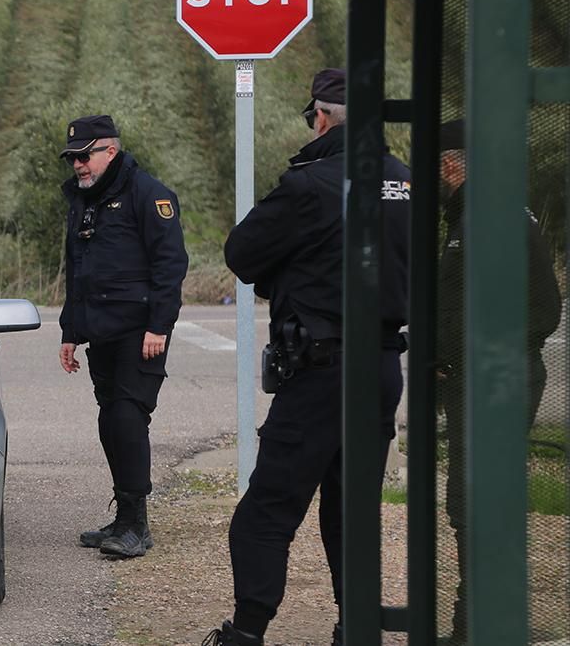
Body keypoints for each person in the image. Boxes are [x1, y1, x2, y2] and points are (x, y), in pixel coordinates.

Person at [205, 69, 411, 646]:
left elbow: (243, 253)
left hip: (321, 370)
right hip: (381, 368)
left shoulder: (311, 184)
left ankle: (245, 634)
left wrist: (292, 277)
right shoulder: (406, 181)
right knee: (351, 509)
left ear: (321, 118)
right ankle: (356, 627)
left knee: (267, 512)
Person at [435, 119, 562, 644]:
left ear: (450, 164)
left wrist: (483, 356)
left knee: (473, 501)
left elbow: (542, 310)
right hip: (488, 380)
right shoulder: (498, 211)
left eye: (437, 167)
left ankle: (484, 625)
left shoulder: (485, 216)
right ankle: (480, 620)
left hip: (489, 384)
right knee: (480, 501)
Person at [57, 114, 189, 559]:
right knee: (110, 420)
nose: (77, 165)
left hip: (139, 332)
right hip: (101, 333)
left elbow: (170, 265)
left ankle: (136, 525)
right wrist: (70, 332)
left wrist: (159, 326)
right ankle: (124, 517)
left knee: (129, 419)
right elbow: (76, 270)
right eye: (73, 157)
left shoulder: (147, 194)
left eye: (84, 155)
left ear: (109, 151)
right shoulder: (84, 200)